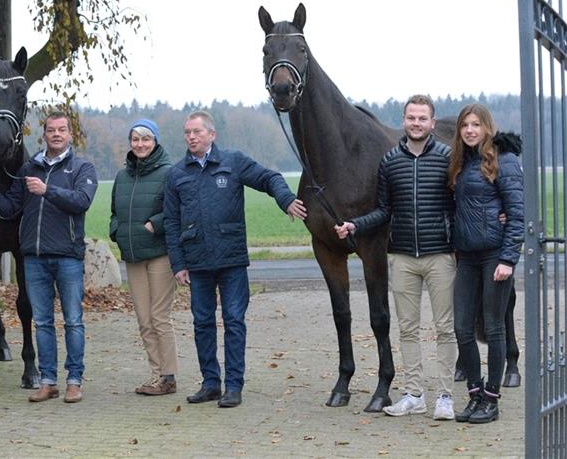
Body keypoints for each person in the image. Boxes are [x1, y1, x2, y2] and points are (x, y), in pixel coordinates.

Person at [163, 110, 307, 408]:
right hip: (197, 261)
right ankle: (210, 384)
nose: (191, 137)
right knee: (202, 323)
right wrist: (178, 264)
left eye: (197, 132)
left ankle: (234, 386)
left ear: (211, 135)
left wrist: (286, 200)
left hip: (231, 260)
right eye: (187, 133)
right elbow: (171, 222)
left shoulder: (233, 161)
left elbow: (269, 178)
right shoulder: (177, 174)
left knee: (233, 321)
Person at [334, 95, 458, 420]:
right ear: (404, 121)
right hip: (403, 257)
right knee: (407, 328)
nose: (416, 123)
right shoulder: (390, 162)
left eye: (422, 118)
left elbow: (463, 203)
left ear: (432, 123)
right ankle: (415, 394)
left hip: (440, 256)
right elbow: (383, 211)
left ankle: (445, 395)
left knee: (445, 328)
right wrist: (354, 225)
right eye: (411, 118)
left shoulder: (448, 158)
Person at [0, 111, 98, 404]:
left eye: (62, 130)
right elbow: (10, 207)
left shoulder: (82, 168)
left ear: (70, 135)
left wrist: (47, 190)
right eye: (51, 130)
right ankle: (48, 380)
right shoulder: (30, 168)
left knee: (73, 321)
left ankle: (74, 381)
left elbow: (81, 202)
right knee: (42, 322)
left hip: (67, 256)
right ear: (44, 135)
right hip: (34, 257)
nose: (56, 134)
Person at [448, 104, 523, 424]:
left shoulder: (503, 161)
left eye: (476, 124)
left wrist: (508, 258)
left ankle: (491, 399)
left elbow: (518, 215)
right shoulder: (461, 163)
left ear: (486, 127)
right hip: (467, 257)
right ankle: (475, 393)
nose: (470, 130)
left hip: (495, 256)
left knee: (493, 328)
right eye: (465, 125)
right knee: (462, 327)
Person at [110, 119, 178, 396]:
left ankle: (169, 376)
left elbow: (178, 209)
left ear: (155, 142)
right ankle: (156, 375)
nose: (140, 144)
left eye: (146, 139)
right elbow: (114, 211)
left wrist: (155, 224)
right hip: (133, 255)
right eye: (135, 139)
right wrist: (116, 230)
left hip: (160, 254)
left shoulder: (169, 173)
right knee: (143, 318)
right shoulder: (122, 176)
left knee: (159, 316)